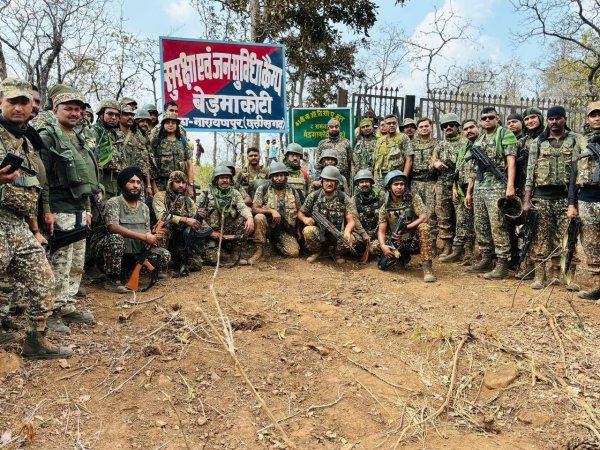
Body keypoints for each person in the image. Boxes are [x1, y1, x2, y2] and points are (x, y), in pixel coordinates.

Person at [0, 77, 71, 358]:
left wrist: (34, 229)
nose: (18, 107)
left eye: (24, 102)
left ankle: (35, 340)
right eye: (12, 101)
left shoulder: (27, 140)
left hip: (18, 224)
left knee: (43, 279)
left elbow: (30, 188)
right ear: (1, 103)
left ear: (32, 107)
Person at [38, 90, 102, 333]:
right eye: (68, 108)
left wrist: (87, 209)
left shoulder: (78, 138)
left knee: (75, 263)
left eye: (78, 109)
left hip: (78, 208)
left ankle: (66, 304)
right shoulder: (47, 137)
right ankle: (51, 310)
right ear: (55, 110)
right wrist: (46, 210)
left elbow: (85, 180)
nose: (74, 113)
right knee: (59, 263)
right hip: (58, 208)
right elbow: (42, 178)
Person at [524, 106, 586, 290]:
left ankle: (566, 276)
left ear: (564, 119)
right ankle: (539, 276)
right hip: (542, 197)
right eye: (551, 119)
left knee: (568, 238)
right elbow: (530, 172)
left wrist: (574, 201)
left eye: (558, 118)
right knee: (540, 237)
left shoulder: (575, 139)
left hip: (566, 198)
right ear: (547, 121)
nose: (554, 122)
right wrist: (527, 200)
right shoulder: (538, 142)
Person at [90, 166, 170, 293]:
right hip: (110, 253)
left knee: (164, 255)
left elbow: (146, 233)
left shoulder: (144, 208)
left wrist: (154, 236)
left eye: (138, 182)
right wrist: (145, 237)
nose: (136, 185)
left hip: (134, 252)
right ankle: (112, 279)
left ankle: (133, 271)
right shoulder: (114, 202)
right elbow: (112, 227)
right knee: (115, 239)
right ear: (123, 184)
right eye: (131, 182)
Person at [466, 107, 518, 280]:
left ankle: (502, 263)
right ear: (480, 122)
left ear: (497, 119)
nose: (487, 120)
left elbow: (511, 162)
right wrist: (470, 191)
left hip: (497, 186)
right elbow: (474, 169)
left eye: (491, 117)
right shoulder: (480, 138)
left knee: (498, 225)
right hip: (480, 187)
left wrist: (510, 186)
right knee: (480, 224)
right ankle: (486, 258)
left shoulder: (505, 135)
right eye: (484, 118)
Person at [371, 170, 436, 282]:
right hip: (397, 242)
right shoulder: (385, 207)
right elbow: (381, 231)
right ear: (389, 187)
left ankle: (427, 269)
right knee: (374, 246)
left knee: (424, 227)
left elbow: (424, 218)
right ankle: (400, 258)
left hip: (413, 241)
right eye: (396, 184)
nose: (399, 187)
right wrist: (383, 246)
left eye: (402, 184)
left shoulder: (412, 199)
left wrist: (406, 228)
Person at [569, 101, 600, 300]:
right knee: (590, 243)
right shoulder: (580, 141)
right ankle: (598, 284)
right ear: (587, 119)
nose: (597, 118)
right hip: (587, 198)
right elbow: (573, 173)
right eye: (593, 115)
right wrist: (572, 203)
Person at [298, 166, 359, 264]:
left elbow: (351, 221)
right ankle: (317, 252)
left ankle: (337, 253)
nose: (329, 184)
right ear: (322, 182)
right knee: (308, 230)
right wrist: (305, 219)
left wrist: (347, 232)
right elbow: (300, 213)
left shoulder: (343, 197)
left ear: (336, 183)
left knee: (350, 238)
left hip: (336, 232)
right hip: (319, 232)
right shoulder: (314, 196)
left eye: (332, 181)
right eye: (326, 180)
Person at [195, 166, 254, 266]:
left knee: (244, 219)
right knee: (212, 259)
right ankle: (223, 255)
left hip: (229, 230)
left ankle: (236, 252)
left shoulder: (234, 193)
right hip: (211, 233)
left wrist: (250, 218)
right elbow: (196, 215)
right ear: (216, 180)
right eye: (222, 178)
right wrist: (210, 232)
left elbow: (243, 207)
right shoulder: (206, 194)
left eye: (227, 178)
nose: (225, 180)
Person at [152, 171, 202, 274]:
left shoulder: (189, 201)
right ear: (170, 183)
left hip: (180, 237)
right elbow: (161, 216)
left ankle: (175, 260)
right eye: (178, 182)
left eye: (184, 183)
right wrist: (185, 220)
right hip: (166, 235)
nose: (181, 185)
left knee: (195, 265)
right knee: (163, 229)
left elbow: (194, 221)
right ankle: (159, 265)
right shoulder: (160, 196)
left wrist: (200, 217)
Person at [251, 161, 302, 262]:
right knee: (259, 217)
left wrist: (298, 230)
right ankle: (259, 249)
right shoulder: (263, 189)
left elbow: (299, 210)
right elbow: (254, 209)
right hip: (268, 228)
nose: (279, 178)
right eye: (276, 176)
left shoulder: (292, 190)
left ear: (285, 176)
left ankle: (274, 246)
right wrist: (271, 211)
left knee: (294, 253)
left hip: (285, 229)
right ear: (271, 177)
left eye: (281, 175)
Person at [441, 119, 476, 263]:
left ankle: (469, 252)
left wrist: (469, 192)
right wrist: (455, 187)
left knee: (471, 221)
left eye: (471, 127)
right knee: (461, 220)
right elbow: (458, 169)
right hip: (461, 186)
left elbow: (474, 171)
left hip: (472, 187)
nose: (469, 131)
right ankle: (457, 250)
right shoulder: (464, 147)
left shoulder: (478, 145)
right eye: (466, 129)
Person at [432, 113, 463, 259]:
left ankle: (462, 249)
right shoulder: (440, 145)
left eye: (451, 125)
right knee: (443, 217)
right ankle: (447, 246)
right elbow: (432, 163)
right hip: (443, 183)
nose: (448, 127)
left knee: (461, 217)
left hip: (460, 184)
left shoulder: (464, 143)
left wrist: (456, 185)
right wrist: (435, 164)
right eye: (445, 126)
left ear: (457, 126)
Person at [410, 117, 439, 245]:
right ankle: (416, 242)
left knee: (431, 213)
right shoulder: (412, 144)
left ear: (431, 127)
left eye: (426, 126)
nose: (424, 128)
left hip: (430, 182)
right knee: (415, 212)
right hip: (415, 182)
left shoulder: (437, 144)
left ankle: (430, 243)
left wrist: (438, 183)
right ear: (417, 129)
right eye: (421, 127)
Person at [151, 112, 193, 192]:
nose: (170, 125)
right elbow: (151, 166)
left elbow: (190, 165)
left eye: (173, 123)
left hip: (180, 184)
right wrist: (154, 187)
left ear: (177, 125)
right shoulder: (157, 142)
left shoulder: (183, 142)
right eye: (167, 122)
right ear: (163, 125)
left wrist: (190, 185)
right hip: (162, 185)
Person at [94, 98, 126, 200]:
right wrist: (97, 187)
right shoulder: (95, 132)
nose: (114, 117)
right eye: (110, 114)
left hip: (116, 183)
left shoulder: (115, 134)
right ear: (101, 114)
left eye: (117, 115)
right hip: (102, 181)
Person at [120, 104, 152, 198]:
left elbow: (145, 163)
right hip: (123, 178)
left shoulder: (143, 139)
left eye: (147, 122)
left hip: (138, 179)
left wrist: (148, 185)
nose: (145, 124)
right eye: (142, 121)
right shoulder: (121, 134)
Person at [373, 114, 413, 186]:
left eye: (394, 123)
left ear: (396, 124)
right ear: (385, 125)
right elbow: (375, 160)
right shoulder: (380, 140)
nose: (392, 125)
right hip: (380, 177)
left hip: (396, 176)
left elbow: (409, 159)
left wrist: (404, 177)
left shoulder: (403, 137)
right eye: (389, 123)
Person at [352, 169, 384, 244]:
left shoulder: (380, 195)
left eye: (366, 181)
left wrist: (381, 230)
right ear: (358, 184)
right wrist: (364, 234)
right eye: (361, 182)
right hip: (362, 233)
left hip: (380, 230)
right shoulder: (354, 199)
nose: (364, 184)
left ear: (371, 183)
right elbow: (354, 219)